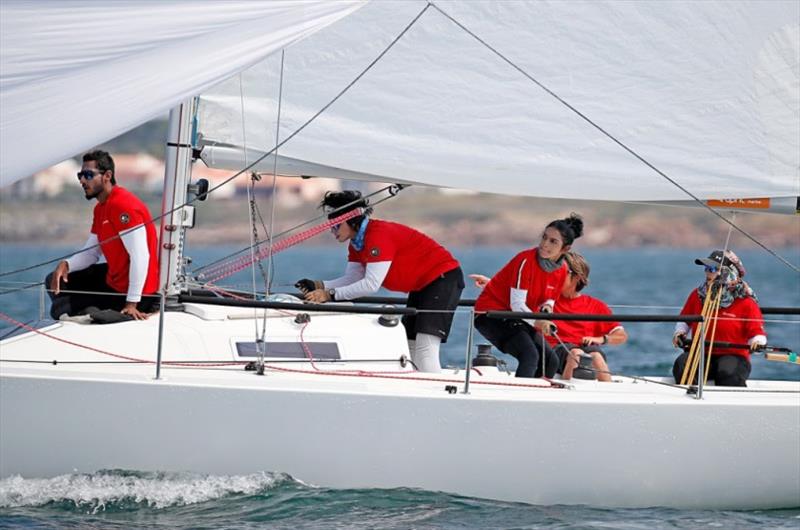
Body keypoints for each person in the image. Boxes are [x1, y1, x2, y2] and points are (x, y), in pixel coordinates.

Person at [295, 190, 464, 373]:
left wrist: (328, 295)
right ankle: (419, 384)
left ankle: (432, 388)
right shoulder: (357, 243)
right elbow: (353, 279)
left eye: (336, 226)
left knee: (425, 348)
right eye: (331, 226)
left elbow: (370, 285)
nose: (332, 231)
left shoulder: (378, 235)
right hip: (422, 286)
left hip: (442, 279)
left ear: (352, 220)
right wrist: (320, 286)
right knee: (410, 344)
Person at [46, 150, 159, 321]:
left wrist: (132, 303)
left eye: (88, 175)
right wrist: (66, 264)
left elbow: (141, 256)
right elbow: (91, 253)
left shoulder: (123, 205)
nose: (82, 181)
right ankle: (92, 312)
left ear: (107, 176)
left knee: (61, 308)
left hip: (139, 294)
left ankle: (100, 314)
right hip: (115, 282)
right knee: (54, 280)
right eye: (80, 175)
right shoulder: (100, 208)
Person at [471, 213, 583, 378]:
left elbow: (550, 298)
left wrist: (547, 308)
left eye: (553, 241)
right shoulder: (525, 260)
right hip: (491, 315)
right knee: (529, 356)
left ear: (565, 249)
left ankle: (536, 391)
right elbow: (517, 304)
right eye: (544, 237)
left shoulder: (562, 270)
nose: (545, 244)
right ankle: (519, 393)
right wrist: (538, 321)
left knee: (551, 361)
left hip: (518, 318)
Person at [672, 249, 766, 387]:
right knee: (682, 365)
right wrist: (679, 332)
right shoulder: (697, 295)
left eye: (713, 269)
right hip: (701, 353)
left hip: (734, 356)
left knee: (728, 371)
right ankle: (691, 396)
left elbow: (757, 333)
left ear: (728, 273)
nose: (707, 273)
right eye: (706, 268)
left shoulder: (746, 302)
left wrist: (757, 342)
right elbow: (685, 321)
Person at [546, 251, 627, 382]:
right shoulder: (547, 302)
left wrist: (601, 339)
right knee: (576, 354)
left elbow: (621, 336)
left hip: (586, 351)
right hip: (555, 354)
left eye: (561, 272)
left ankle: (609, 391)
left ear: (577, 277)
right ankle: (565, 390)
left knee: (596, 356)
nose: (555, 276)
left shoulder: (596, 306)